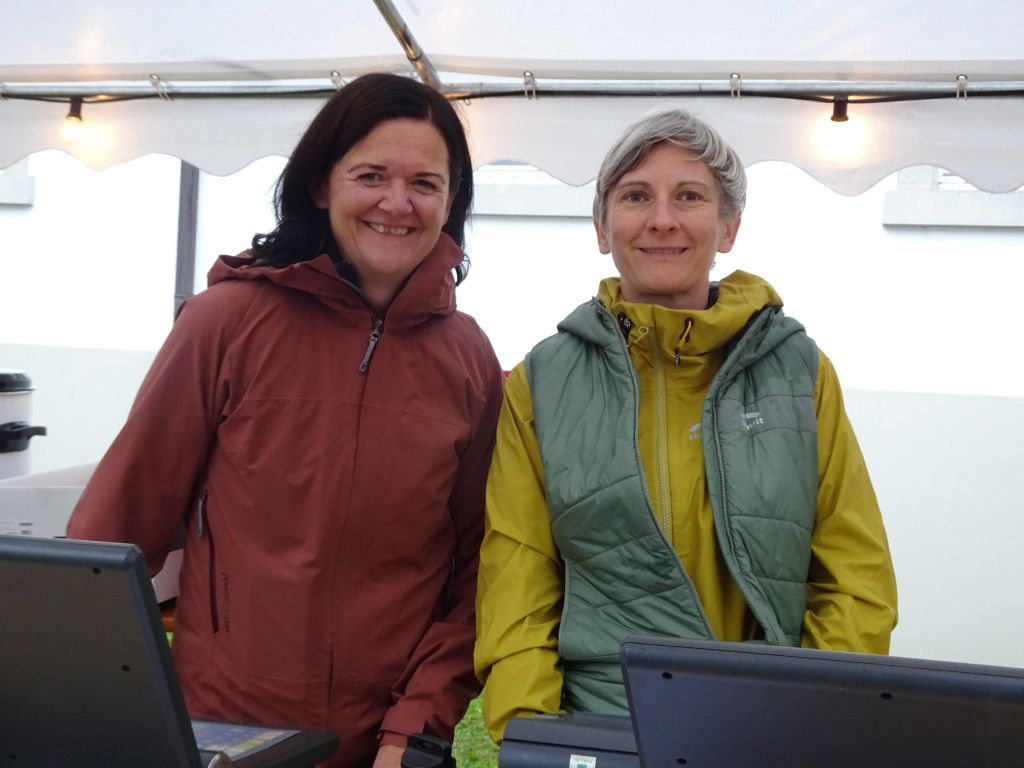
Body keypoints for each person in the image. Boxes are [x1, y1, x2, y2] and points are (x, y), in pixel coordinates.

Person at [68, 72, 505, 768]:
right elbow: (107, 542)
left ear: (451, 203)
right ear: (321, 185)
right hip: (225, 740)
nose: (397, 203)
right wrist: (98, 710)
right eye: (370, 176)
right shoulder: (223, 323)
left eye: (425, 183)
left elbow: (482, 570)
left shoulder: (470, 360)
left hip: (385, 750)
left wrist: (415, 728)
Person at [473, 108, 898, 741]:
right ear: (601, 228)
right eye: (635, 196)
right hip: (604, 729)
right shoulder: (543, 380)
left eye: (690, 196)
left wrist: (810, 720)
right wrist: (536, 738)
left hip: (768, 724)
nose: (662, 219)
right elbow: (518, 580)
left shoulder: (799, 371)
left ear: (729, 228)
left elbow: (853, 574)